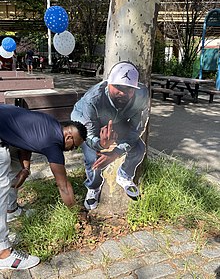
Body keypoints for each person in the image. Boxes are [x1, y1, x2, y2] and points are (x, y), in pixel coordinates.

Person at [0, 104, 87, 270]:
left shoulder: (51, 124)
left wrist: (26, 168)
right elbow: (63, 186)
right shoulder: (53, 145)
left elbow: (26, 140)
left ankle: (11, 211)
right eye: (75, 145)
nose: (73, 149)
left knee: (16, 168)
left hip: (4, 125)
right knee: (1, 184)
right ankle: (2, 252)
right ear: (69, 137)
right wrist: (77, 212)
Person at [71, 61, 149, 210]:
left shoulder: (141, 95)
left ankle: (124, 174)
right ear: (108, 83)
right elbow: (89, 134)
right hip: (86, 121)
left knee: (139, 148)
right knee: (93, 158)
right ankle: (93, 187)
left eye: (129, 89)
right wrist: (101, 145)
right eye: (118, 87)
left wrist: (116, 152)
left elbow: (136, 129)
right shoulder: (92, 100)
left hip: (115, 119)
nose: (123, 93)